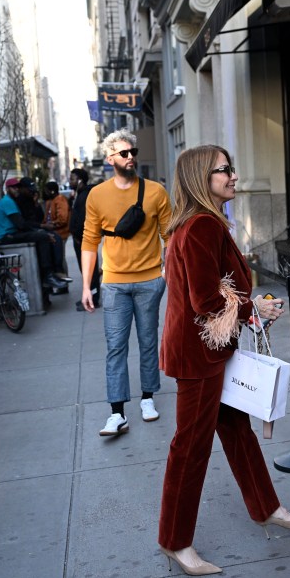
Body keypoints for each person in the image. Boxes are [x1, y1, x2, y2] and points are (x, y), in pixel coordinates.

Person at [158, 144, 290, 575]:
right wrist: (252, 310)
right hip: (197, 356)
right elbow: (205, 300)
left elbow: (213, 291)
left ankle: (267, 508)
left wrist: (248, 307)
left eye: (231, 168)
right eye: (223, 170)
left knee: (237, 433)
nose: (233, 176)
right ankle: (175, 541)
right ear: (199, 180)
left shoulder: (202, 224)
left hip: (208, 350)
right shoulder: (202, 226)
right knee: (189, 449)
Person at [80, 129, 172, 437]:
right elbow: (89, 242)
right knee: (115, 347)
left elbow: (170, 235)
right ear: (110, 159)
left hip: (150, 281)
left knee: (148, 342)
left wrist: (166, 271)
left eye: (133, 151)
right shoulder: (97, 195)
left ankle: (147, 398)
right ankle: (117, 413)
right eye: (124, 153)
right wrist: (86, 286)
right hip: (115, 284)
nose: (131, 156)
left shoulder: (156, 191)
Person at [0, 177, 67, 290]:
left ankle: (56, 271)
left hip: (11, 233)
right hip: (6, 237)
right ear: (7, 189)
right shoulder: (7, 202)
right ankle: (48, 275)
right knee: (43, 237)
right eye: (13, 188)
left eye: (18, 187)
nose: (16, 190)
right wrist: (40, 229)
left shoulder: (11, 201)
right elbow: (21, 224)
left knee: (49, 235)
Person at [69, 169, 101, 309]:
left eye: (72, 179)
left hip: (83, 240)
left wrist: (79, 237)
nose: (70, 181)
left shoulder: (85, 196)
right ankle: (90, 298)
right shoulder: (80, 195)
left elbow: (83, 220)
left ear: (80, 180)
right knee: (87, 271)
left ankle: (93, 300)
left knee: (90, 271)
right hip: (81, 240)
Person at [43, 181, 71, 279]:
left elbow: (62, 219)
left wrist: (52, 224)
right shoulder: (52, 201)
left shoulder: (60, 200)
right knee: (58, 259)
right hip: (55, 233)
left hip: (61, 234)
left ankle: (64, 282)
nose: (45, 193)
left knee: (60, 259)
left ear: (51, 191)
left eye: (46, 190)